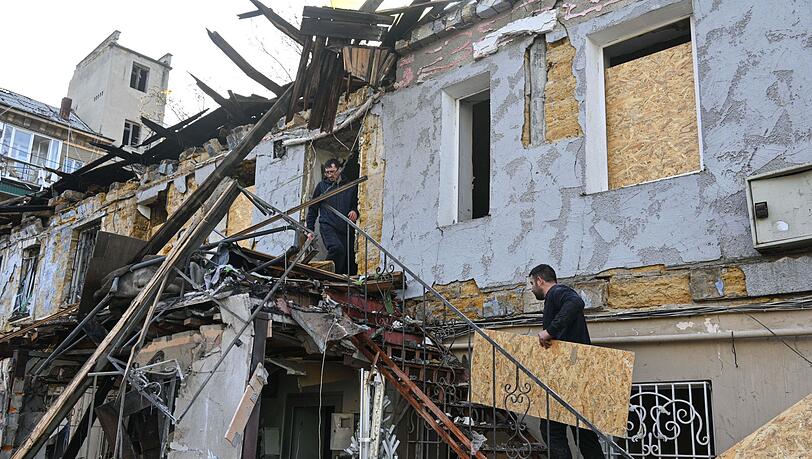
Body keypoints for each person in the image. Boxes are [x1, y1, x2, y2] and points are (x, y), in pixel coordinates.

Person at [529, 263, 604, 459]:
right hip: (574, 373)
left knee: (552, 429)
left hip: (567, 373)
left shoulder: (557, 292)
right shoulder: (555, 297)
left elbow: (576, 302)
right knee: (583, 434)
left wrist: (549, 331)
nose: (532, 289)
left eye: (532, 284)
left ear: (540, 280)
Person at [306, 158, 359, 275]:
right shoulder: (322, 187)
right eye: (327, 172)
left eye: (332, 172)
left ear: (339, 170)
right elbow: (313, 209)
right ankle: (324, 275)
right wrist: (309, 229)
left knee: (348, 257)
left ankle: (339, 279)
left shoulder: (350, 186)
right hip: (328, 225)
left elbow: (356, 203)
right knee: (336, 248)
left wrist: (355, 211)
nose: (329, 175)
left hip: (345, 227)